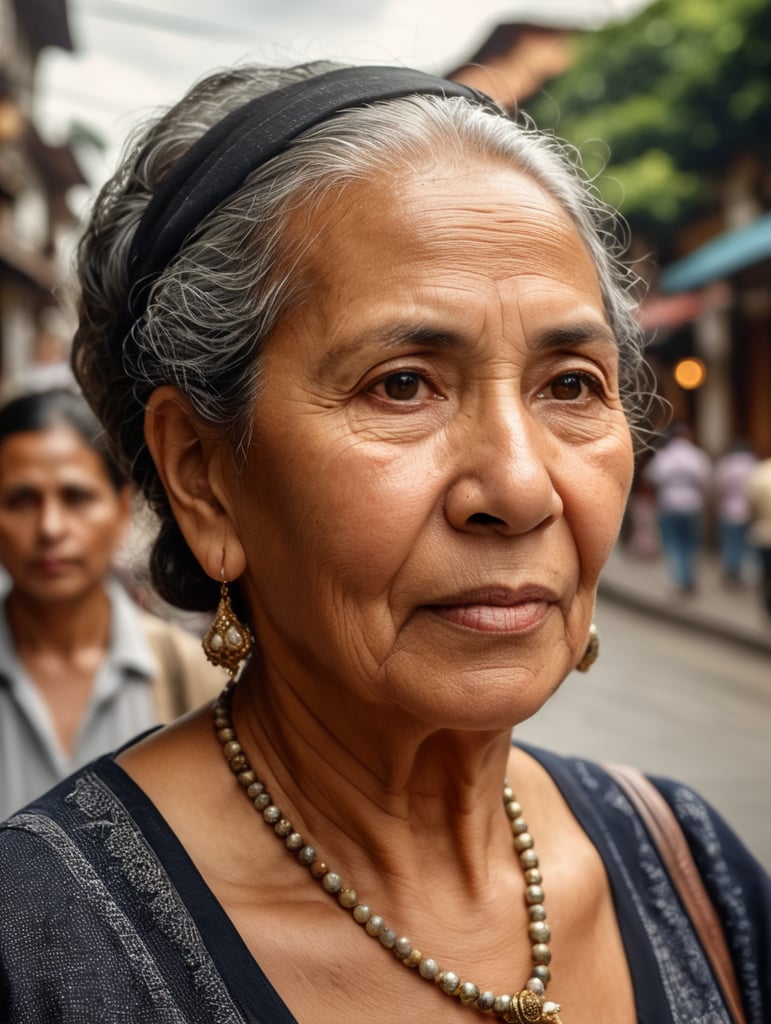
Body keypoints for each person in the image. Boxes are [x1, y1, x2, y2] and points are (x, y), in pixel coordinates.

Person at [0, 62, 767, 1024]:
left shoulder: (696, 875)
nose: (521, 489)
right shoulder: (40, 950)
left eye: (570, 384)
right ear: (202, 475)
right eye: (401, 385)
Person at [0, 387, 226, 819]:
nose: (49, 527)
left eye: (76, 497)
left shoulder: (191, 678)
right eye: (21, 500)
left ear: (122, 509)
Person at [644, 422, 712, 593]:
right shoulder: (696, 455)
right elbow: (706, 479)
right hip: (692, 504)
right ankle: (690, 578)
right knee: (691, 543)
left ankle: (679, 579)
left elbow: (652, 476)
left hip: (670, 503)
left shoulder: (665, 456)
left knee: (672, 543)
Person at [713, 441, 758, 586]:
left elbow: (719, 487)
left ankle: (732, 573)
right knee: (747, 545)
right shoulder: (753, 464)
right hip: (748, 511)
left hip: (729, 510)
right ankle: (744, 574)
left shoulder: (727, 464)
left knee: (731, 543)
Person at [748, 454, 771, 616]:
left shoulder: (759, 472)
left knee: (765, 573)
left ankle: (767, 606)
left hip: (763, 533)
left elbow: (751, 503)